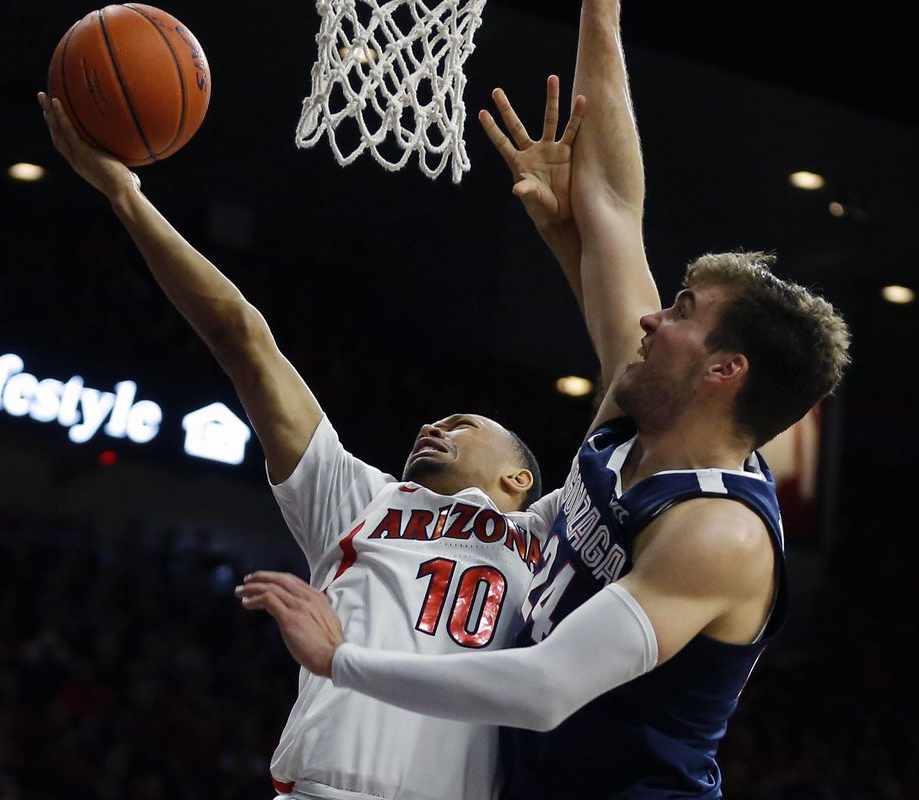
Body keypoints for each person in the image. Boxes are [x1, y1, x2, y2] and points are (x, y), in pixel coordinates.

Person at [236, 1, 852, 797]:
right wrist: (602, 13)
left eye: (682, 314)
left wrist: (338, 659)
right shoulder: (636, 423)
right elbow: (615, 215)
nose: (651, 319)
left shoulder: (718, 535)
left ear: (723, 371)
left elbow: (542, 689)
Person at [36, 90, 580, 800]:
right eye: (431, 423)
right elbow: (244, 340)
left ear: (518, 480)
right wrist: (125, 196)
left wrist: (579, 234)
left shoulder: (553, 531)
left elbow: (644, 394)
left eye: (461, 425)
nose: (431, 427)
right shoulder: (359, 497)